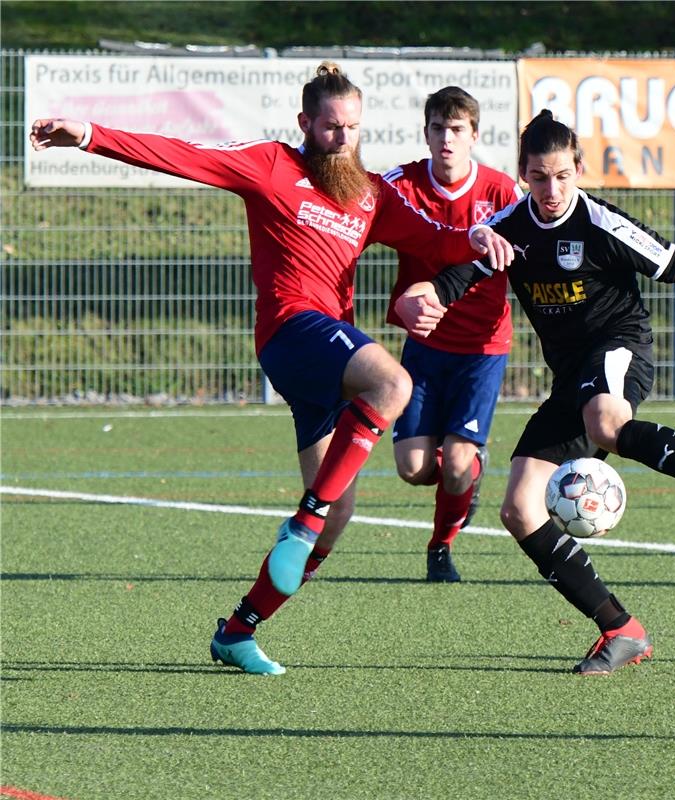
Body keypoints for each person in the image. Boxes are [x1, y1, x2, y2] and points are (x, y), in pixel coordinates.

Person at [29, 62, 514, 676]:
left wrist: (476, 241)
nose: (343, 139)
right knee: (392, 384)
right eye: (332, 127)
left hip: (327, 357)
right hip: (292, 330)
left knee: (339, 514)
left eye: (354, 129)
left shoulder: (368, 193)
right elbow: (182, 155)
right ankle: (301, 521)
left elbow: (434, 238)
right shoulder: (271, 164)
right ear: (305, 123)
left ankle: (238, 629)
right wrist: (91, 134)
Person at [397, 110, 675, 676]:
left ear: (578, 169)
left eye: (561, 175)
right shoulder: (510, 228)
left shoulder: (602, 223)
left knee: (606, 420)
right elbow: (461, 277)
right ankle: (620, 628)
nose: (551, 190)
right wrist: (427, 294)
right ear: (523, 174)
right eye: (538, 177)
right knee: (519, 508)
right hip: (571, 381)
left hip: (619, 350)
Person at [382, 87, 522, 582]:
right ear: (426, 133)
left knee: (458, 462)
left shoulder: (503, 193)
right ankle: (467, 478)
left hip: (483, 348)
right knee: (413, 468)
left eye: (457, 129)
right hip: (424, 345)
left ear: (474, 136)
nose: (447, 139)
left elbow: (533, 255)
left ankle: (440, 547)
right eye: (438, 129)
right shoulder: (399, 186)